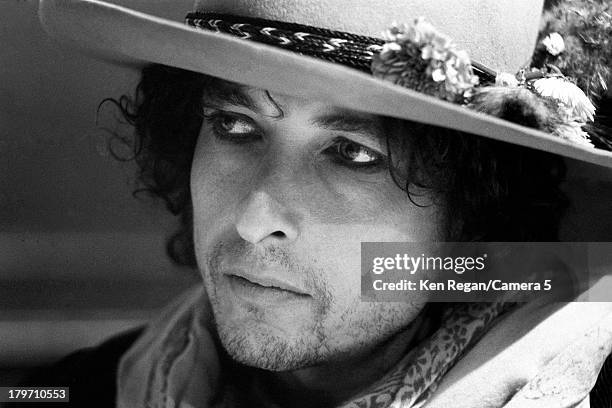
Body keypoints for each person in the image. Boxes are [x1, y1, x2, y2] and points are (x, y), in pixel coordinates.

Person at [27, 0, 612, 406]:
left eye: (352, 153)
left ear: (479, 209)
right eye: (233, 124)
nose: (255, 219)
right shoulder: (78, 389)